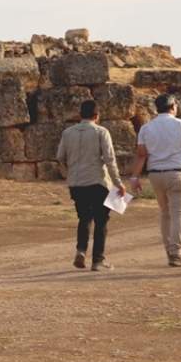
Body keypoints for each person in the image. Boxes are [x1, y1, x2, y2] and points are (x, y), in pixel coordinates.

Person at [128, 93, 181, 267]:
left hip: (155, 174)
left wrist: (134, 176)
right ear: (173, 106)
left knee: (165, 213)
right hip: (177, 174)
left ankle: (169, 249)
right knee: (179, 214)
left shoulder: (146, 128)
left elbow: (141, 154)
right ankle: (176, 253)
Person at [56, 100, 125, 271]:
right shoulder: (101, 132)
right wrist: (118, 183)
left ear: (79, 115)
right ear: (97, 116)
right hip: (97, 181)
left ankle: (81, 250)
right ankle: (98, 259)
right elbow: (109, 160)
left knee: (84, 217)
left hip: (76, 182)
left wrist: (69, 170)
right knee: (101, 220)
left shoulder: (67, 132)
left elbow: (60, 156)